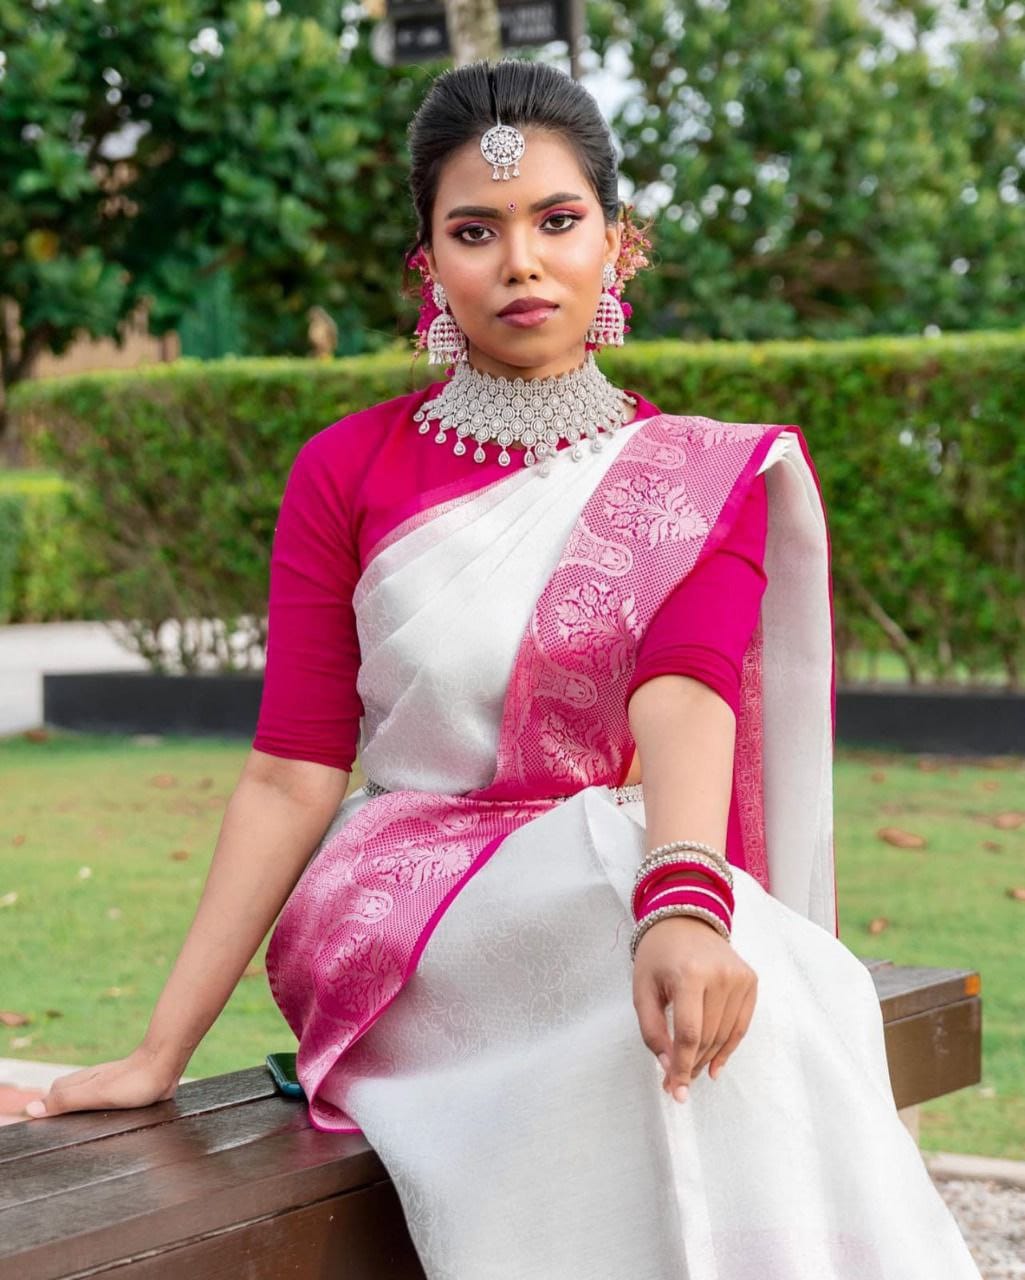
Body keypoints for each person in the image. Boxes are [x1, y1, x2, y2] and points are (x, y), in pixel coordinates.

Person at [25, 57, 982, 1280]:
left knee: (771, 987)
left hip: (628, 878)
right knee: (649, 940)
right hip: (404, 909)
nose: (519, 262)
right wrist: (159, 1049)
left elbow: (683, 685)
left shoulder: (699, 477)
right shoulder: (345, 470)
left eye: (556, 220)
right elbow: (291, 771)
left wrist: (685, 901)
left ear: (618, 246)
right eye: (474, 231)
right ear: (427, 266)